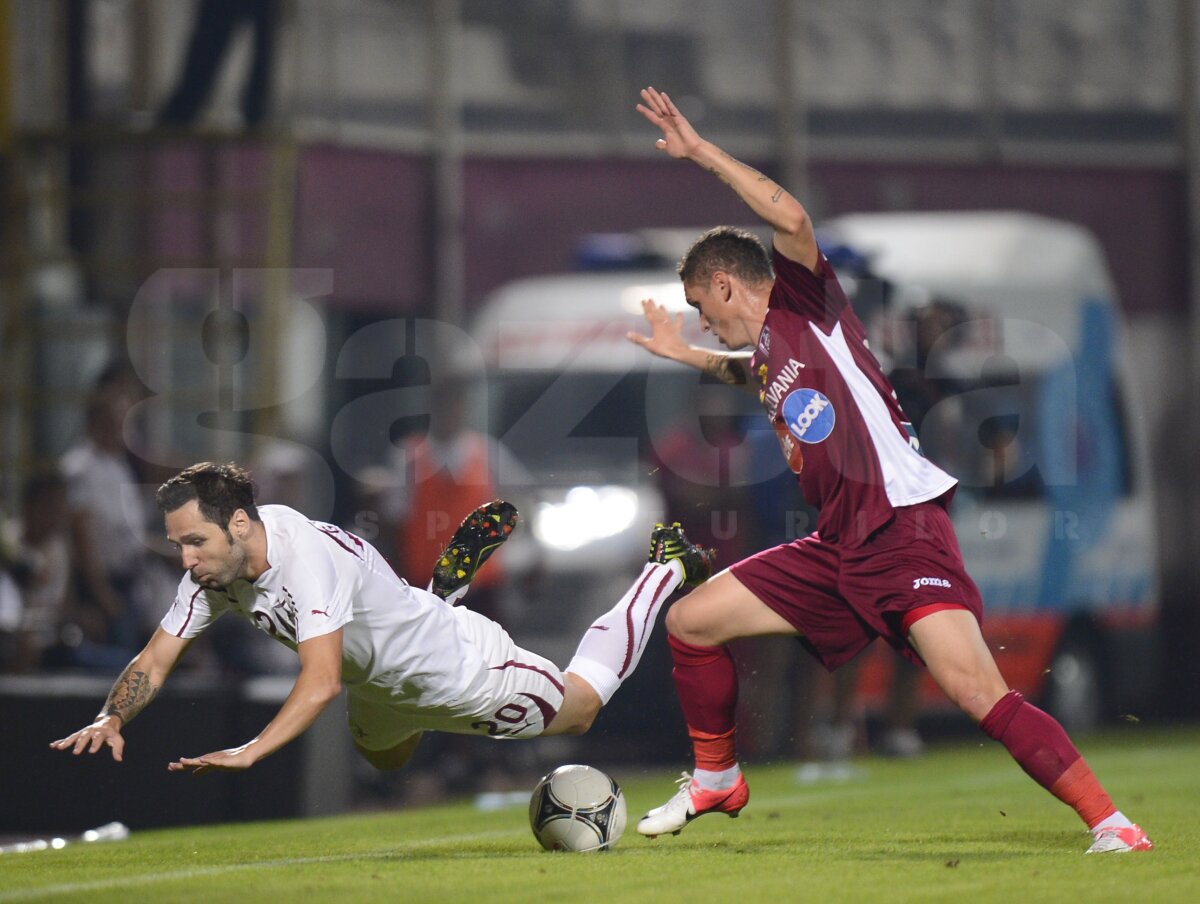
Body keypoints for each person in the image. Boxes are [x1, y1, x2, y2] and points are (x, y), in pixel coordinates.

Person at [624, 86, 1150, 854]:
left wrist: (699, 151)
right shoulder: (771, 350)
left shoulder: (808, 305)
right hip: (837, 544)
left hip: (901, 531)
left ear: (727, 283)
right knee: (692, 623)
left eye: (704, 308)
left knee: (976, 692)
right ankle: (715, 778)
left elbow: (794, 219)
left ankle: (1111, 823)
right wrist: (693, 356)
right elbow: (753, 375)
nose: (705, 320)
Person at [49, 461, 713, 778]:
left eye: (194, 542)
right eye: (178, 546)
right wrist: (113, 715)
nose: (185, 559)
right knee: (388, 758)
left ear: (241, 524)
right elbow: (155, 658)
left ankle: (665, 569)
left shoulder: (301, 560)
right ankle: (437, 594)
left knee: (582, 706)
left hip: (457, 672)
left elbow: (319, 683)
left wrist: (250, 749)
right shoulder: (218, 572)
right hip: (382, 684)